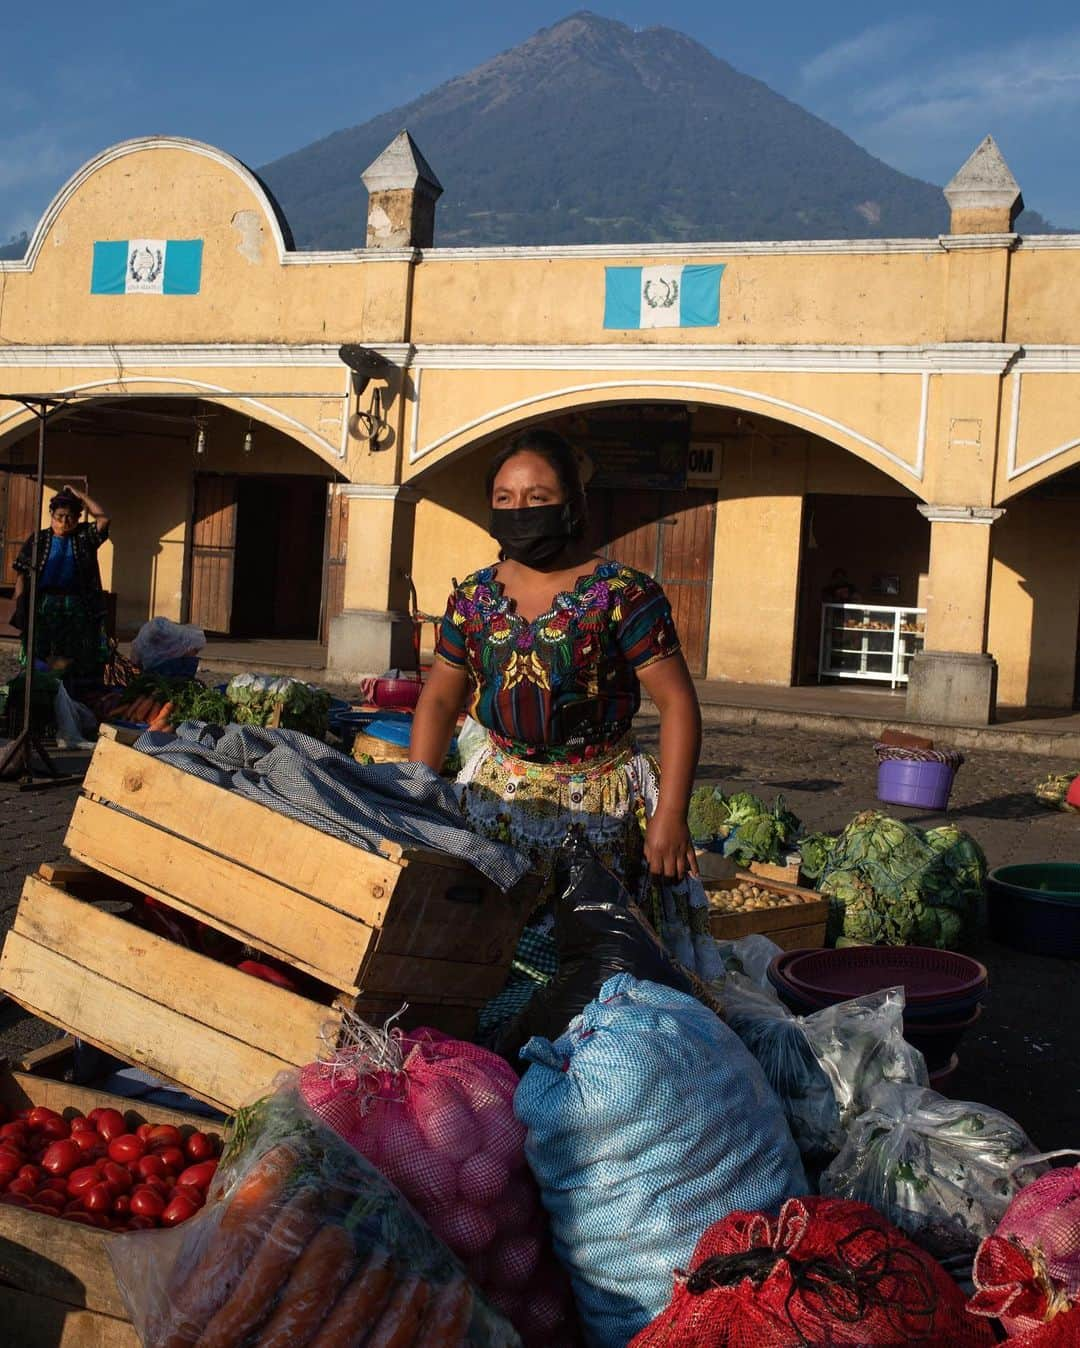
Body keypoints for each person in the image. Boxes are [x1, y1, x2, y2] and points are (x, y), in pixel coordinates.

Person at [410, 428, 717, 986]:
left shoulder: (624, 594)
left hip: (603, 808)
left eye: (538, 498)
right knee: (494, 962)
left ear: (572, 505)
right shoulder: (474, 598)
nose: (519, 510)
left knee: (599, 976)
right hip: (495, 801)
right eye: (504, 498)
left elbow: (677, 705)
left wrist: (670, 815)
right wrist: (419, 793)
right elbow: (438, 698)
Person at [12, 484, 111, 692]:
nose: (64, 522)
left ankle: (72, 694)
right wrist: (20, 604)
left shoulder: (84, 537)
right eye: (60, 516)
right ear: (51, 514)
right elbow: (22, 574)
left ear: (77, 518)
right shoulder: (39, 540)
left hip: (77, 606)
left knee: (76, 654)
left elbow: (103, 519)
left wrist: (79, 494)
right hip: (44, 604)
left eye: (70, 517)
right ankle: (39, 691)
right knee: (39, 651)